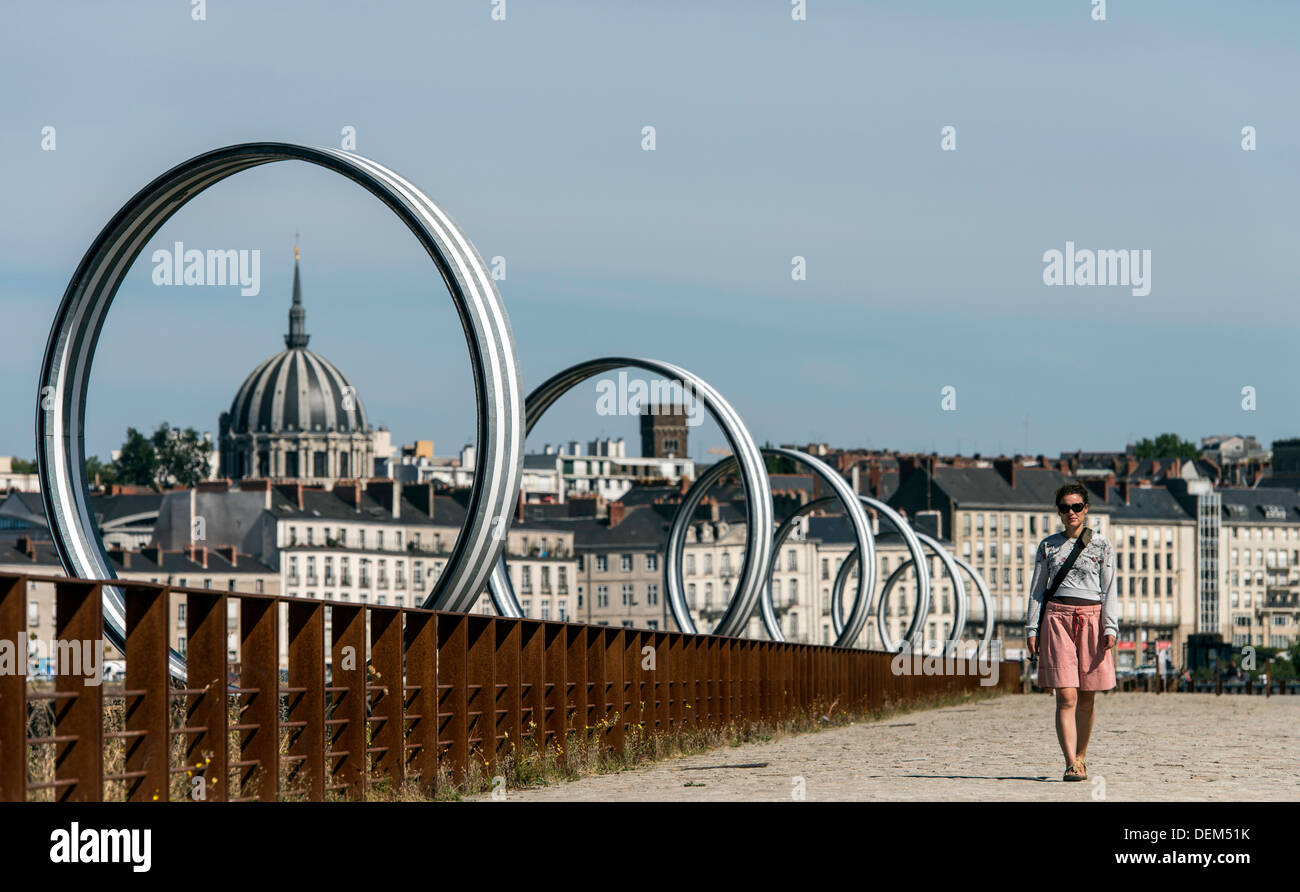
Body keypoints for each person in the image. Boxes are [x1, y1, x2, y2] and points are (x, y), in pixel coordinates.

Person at [1025, 483, 1117, 782]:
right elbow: (1037, 591)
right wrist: (1031, 627)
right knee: (1065, 695)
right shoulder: (1047, 546)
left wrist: (1110, 625)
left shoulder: (1101, 544)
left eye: (1076, 507)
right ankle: (1069, 763)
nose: (1071, 513)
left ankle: (1081, 756)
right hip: (1057, 618)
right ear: (1059, 512)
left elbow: (1110, 588)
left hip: (1091, 618)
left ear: (1086, 509)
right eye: (1065, 508)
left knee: (1087, 695)